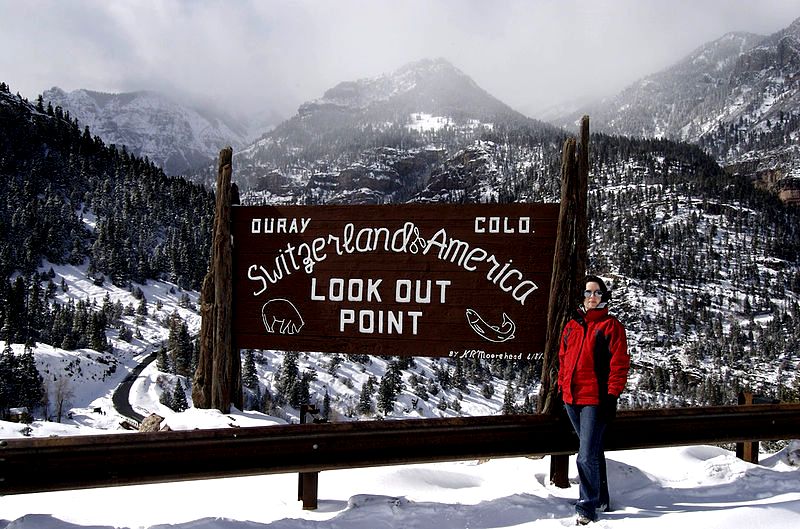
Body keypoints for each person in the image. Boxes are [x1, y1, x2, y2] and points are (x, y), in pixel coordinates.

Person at [558, 275, 629, 525]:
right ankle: (601, 499)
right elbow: (563, 358)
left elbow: (619, 364)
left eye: (597, 293)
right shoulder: (571, 326)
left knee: (585, 456)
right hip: (571, 398)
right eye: (588, 292)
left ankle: (586, 507)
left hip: (595, 399)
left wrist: (611, 395)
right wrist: (561, 385)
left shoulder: (611, 326)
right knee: (593, 451)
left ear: (604, 296)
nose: (592, 297)